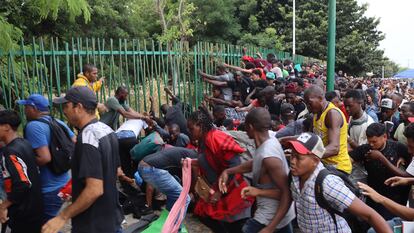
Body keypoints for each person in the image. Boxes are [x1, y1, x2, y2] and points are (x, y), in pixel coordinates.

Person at [43, 86, 123, 233]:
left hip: (93, 224)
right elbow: (116, 171)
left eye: (66, 106)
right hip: (112, 217)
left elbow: (94, 190)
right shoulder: (107, 130)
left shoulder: (87, 138)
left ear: (78, 107)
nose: (64, 111)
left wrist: (62, 217)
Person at [287, 132, 392, 233]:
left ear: (315, 160)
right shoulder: (294, 176)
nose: (292, 161)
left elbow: (370, 215)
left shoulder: (328, 184)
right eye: (292, 155)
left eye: (298, 158)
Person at [219, 108, 295, 233]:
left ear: (250, 126)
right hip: (278, 217)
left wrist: (270, 228)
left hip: (270, 218)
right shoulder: (269, 142)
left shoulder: (269, 156)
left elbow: (287, 193)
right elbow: (257, 162)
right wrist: (228, 171)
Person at [187, 109, 253, 233]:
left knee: (235, 228)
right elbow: (207, 160)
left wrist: (219, 191)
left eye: (191, 129)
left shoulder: (216, 138)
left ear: (200, 126)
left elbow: (234, 164)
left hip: (233, 190)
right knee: (205, 215)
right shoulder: (203, 140)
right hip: (217, 189)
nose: (189, 132)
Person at [17, 94, 74, 222]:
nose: (25, 110)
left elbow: (44, 158)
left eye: (26, 107)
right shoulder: (57, 121)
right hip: (65, 181)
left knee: (47, 225)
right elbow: (74, 142)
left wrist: (24, 161)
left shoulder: (34, 126)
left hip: (49, 187)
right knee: (51, 222)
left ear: (33, 108)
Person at [350, 123, 411, 220]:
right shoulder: (366, 149)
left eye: (374, 141)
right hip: (374, 195)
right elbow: (348, 160)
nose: (371, 145)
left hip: (395, 198)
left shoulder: (398, 148)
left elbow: (409, 175)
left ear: (385, 137)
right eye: (369, 141)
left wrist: (381, 158)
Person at [0, 110, 43, 233]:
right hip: (34, 207)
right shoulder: (24, 143)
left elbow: (23, 183)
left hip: (23, 212)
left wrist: (4, 205)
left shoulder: (10, 151)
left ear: (7, 127)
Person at [304, 85, 352, 174]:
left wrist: (308, 155)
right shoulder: (316, 113)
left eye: (309, 103)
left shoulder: (332, 114)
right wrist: (286, 140)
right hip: (325, 164)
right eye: (306, 103)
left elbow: (334, 148)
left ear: (321, 98)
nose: (307, 107)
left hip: (338, 167)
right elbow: (308, 137)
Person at [138, 147, 197, 218]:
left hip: (143, 165)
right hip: (151, 169)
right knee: (185, 198)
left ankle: (167, 220)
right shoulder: (195, 158)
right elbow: (194, 177)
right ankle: (174, 227)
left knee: (173, 194)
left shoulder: (186, 152)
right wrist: (192, 191)